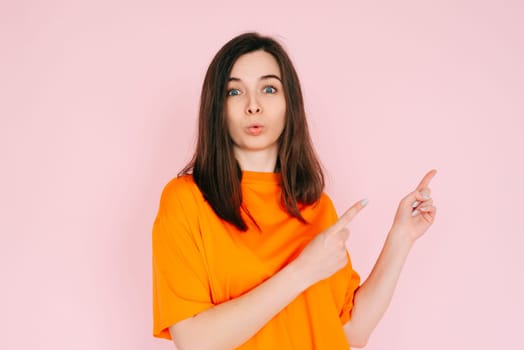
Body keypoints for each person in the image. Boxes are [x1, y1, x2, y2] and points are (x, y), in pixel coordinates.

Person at [152, 32, 437, 350]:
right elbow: (194, 342)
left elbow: (351, 331)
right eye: (234, 91)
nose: (253, 106)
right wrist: (302, 271)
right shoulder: (186, 200)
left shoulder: (316, 207)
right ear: (217, 107)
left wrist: (402, 238)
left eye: (269, 88)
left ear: (291, 104)